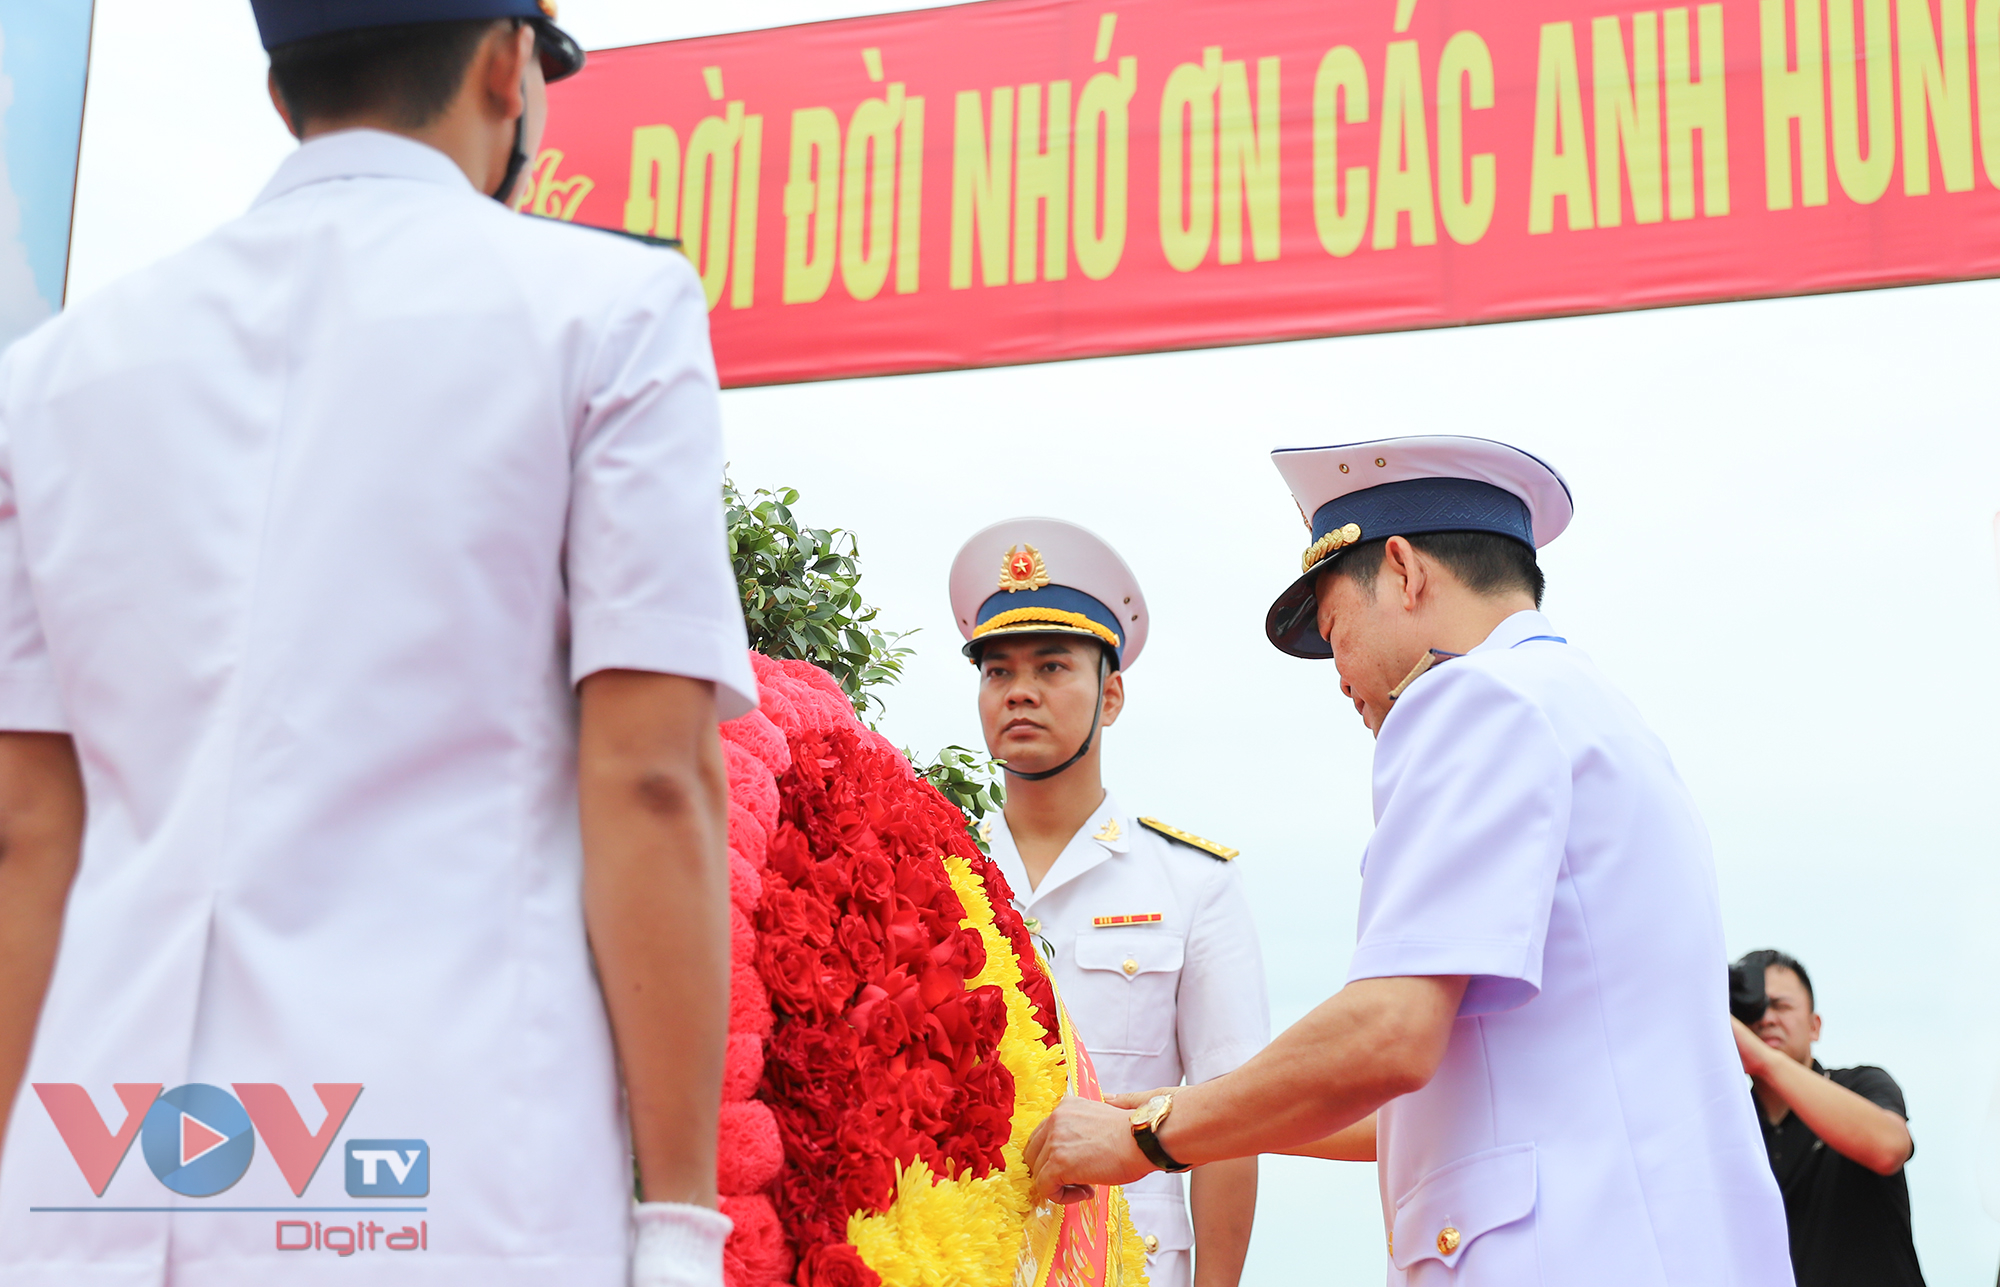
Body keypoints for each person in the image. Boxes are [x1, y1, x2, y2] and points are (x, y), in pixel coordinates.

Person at [0, 5, 755, 1285]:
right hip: (445, 1170)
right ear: (509, 63)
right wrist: (679, 1221)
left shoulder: (57, 374)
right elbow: (648, 776)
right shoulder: (608, 312)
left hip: (99, 1171)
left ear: (282, 92)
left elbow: (26, 827)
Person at [1024, 436, 1794, 1285]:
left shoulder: (1470, 698)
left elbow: (1391, 1034)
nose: (1342, 679)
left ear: (1402, 570)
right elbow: (1428, 1097)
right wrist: (1181, 1116)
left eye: (1334, 630)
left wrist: (1147, 1134)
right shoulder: (1598, 717)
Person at [948, 518, 1268, 1287]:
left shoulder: (1192, 884)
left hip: (1127, 1266)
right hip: (961, 1259)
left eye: (1052, 665)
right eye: (996, 670)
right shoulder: (940, 866)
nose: (1019, 689)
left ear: (1112, 694)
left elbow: (1236, 1119)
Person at [1733, 948, 1926, 1286]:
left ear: (1814, 1026)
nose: (1766, 1019)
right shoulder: (1730, 1125)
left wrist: (1764, 1060)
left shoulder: (1861, 1084)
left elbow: (1888, 1148)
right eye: (1753, 1010)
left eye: (1780, 1005)